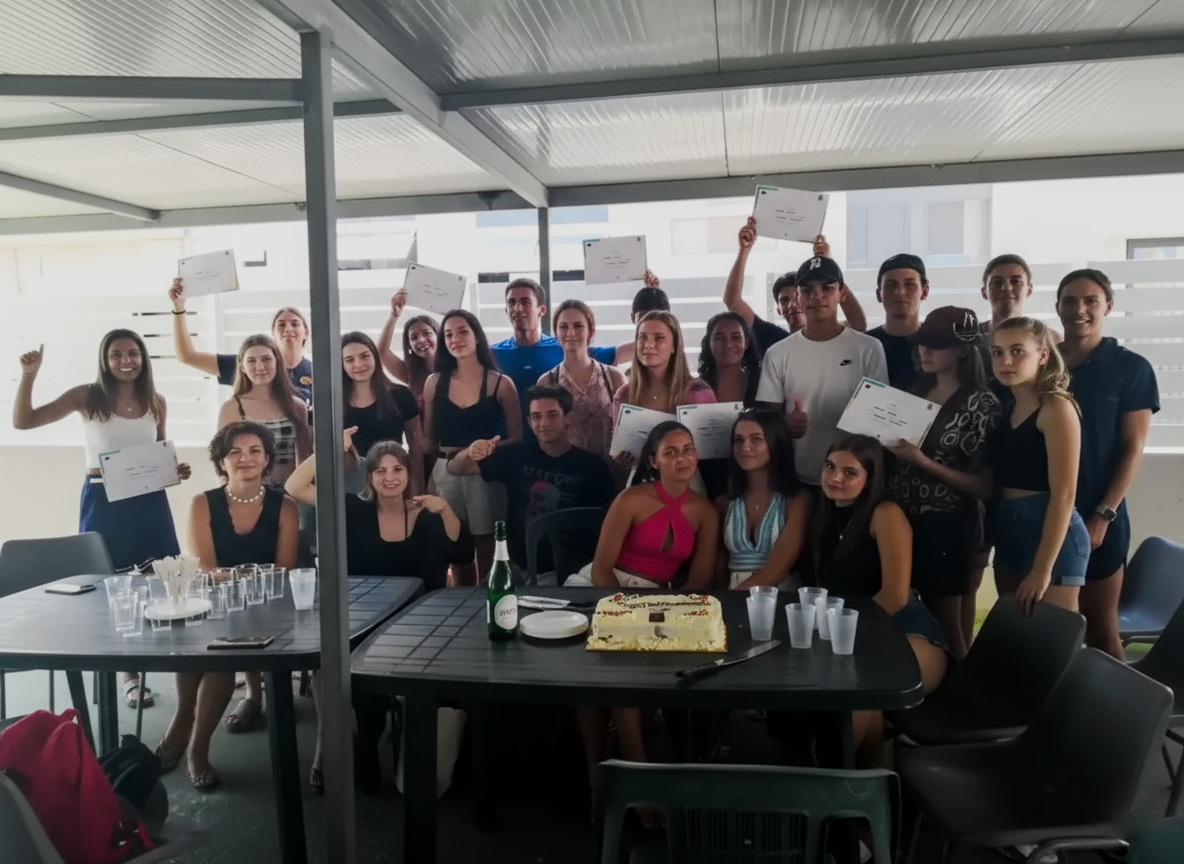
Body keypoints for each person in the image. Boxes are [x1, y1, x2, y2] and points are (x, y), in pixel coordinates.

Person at [286, 431, 471, 792]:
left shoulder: (427, 513)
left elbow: (462, 553)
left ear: (408, 474)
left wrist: (446, 509)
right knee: (361, 681)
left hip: (423, 625)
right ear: (368, 477)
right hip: (365, 623)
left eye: (397, 469)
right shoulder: (353, 510)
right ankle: (366, 747)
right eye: (380, 471)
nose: (390, 478)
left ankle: (417, 747)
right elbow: (295, 486)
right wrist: (330, 448)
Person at [14, 331, 188, 710]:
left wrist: (176, 469)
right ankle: (128, 675)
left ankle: (175, 668)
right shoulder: (87, 396)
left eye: (133, 353)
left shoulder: (156, 400)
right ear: (104, 360)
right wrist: (29, 375)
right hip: (103, 499)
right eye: (116, 354)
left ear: (143, 358)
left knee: (160, 582)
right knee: (111, 586)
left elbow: (159, 451)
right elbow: (23, 422)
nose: (126, 360)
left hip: (149, 501)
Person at [573, 422, 719, 778]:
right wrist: (624, 611)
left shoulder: (705, 511)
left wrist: (667, 610)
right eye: (671, 452)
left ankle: (634, 776)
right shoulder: (631, 499)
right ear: (654, 462)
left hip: (659, 599)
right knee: (596, 674)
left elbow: (699, 579)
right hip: (603, 589)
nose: (682, 458)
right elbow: (601, 568)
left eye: (688, 449)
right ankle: (604, 776)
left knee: (625, 670)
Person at [159, 421, 299, 791]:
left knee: (219, 653)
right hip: (213, 603)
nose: (245, 459)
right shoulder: (201, 503)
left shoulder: (285, 506)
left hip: (267, 605)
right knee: (201, 640)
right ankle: (184, 718)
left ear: (267, 459)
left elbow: (284, 571)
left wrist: (236, 576)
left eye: (254, 451)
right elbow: (204, 569)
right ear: (222, 462)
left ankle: (195, 746)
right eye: (235, 452)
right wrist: (248, 575)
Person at [810, 435, 950, 764]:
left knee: (857, 690)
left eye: (850, 472)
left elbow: (896, 596)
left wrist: (844, 635)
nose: (835, 478)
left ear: (870, 479)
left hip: (908, 632)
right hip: (857, 635)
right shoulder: (826, 514)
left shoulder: (885, 513)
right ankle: (869, 780)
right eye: (830, 467)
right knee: (855, 699)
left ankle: (831, 780)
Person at [885, 307, 1000, 658]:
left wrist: (923, 462)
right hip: (903, 521)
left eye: (936, 345)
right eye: (922, 344)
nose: (925, 352)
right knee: (908, 618)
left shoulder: (982, 404)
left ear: (963, 349)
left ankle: (960, 690)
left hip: (948, 524)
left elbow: (984, 487)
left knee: (947, 626)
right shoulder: (916, 390)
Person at [1056, 269, 1159, 659]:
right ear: (1058, 307)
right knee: (1048, 629)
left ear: (1108, 306)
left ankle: (1121, 702)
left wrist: (1103, 515)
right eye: (1070, 301)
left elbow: (1133, 448)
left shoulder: (1130, 367)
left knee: (1101, 629)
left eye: (1090, 301)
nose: (1079, 309)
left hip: (1098, 516)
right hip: (1045, 512)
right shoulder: (1044, 364)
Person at [447, 385, 614, 574]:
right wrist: (471, 452)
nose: (544, 423)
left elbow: (607, 524)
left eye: (552, 415)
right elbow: (455, 469)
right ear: (529, 421)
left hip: (573, 570)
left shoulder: (593, 466)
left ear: (568, 418)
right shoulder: (517, 455)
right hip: (519, 567)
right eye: (536, 416)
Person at [756, 256, 888, 488]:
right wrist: (785, 424)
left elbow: (881, 415)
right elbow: (768, 420)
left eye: (827, 288)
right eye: (808, 290)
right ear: (798, 297)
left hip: (855, 480)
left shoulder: (869, 348)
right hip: (799, 478)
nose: (817, 296)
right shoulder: (778, 353)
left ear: (842, 294)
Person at [988, 317, 1087, 614]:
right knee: (1014, 632)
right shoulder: (1006, 405)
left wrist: (1043, 569)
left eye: (1017, 351)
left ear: (1043, 355)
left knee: (1050, 636)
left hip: (1050, 532)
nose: (1006, 361)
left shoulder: (1056, 407)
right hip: (1007, 528)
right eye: (997, 352)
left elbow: (1065, 494)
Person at [422, 309, 521, 583]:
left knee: (487, 545)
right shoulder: (434, 382)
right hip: (445, 470)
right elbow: (427, 440)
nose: (456, 339)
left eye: (462, 331)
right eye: (448, 335)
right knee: (455, 546)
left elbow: (517, 438)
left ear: (477, 336)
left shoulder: (501, 383)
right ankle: (461, 601)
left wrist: (488, 449)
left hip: (484, 472)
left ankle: (487, 600)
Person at [491, 277, 619, 440]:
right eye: (512, 302)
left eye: (525, 302)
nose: (518, 308)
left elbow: (623, 352)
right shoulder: (492, 354)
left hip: (565, 447)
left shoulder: (564, 345)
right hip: (513, 445)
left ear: (541, 310)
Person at [723, 219, 867, 357]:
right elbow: (732, 301)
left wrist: (827, 267)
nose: (792, 305)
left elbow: (858, 323)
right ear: (778, 309)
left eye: (797, 296)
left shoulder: (830, 334)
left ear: (807, 299)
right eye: (784, 300)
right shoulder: (774, 339)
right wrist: (744, 249)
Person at [169, 281, 313, 408]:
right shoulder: (250, 366)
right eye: (281, 325)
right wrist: (179, 309)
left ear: (306, 333)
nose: (288, 329)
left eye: (295, 324)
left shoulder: (316, 372)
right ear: (273, 334)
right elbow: (187, 356)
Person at [715, 409, 812, 590]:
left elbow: (777, 570)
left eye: (756, 439)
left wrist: (732, 600)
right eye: (738, 440)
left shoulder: (797, 500)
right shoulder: (724, 503)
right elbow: (718, 571)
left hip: (781, 595)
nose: (745, 447)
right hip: (733, 594)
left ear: (776, 443)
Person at [215, 335, 311, 486]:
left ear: (277, 362)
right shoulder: (232, 408)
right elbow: (222, 461)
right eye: (251, 361)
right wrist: (228, 496)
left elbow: (306, 458)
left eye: (266, 359)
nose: (260, 366)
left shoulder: (297, 406)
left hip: (288, 492)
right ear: (242, 367)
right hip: (248, 491)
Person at [537, 300, 625, 459]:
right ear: (556, 334)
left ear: (591, 331)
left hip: (608, 469)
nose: (570, 332)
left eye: (578, 326)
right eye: (563, 327)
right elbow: (544, 436)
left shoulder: (613, 377)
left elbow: (626, 430)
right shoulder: (547, 382)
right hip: (565, 469)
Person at [341, 331, 423, 494]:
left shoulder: (401, 395)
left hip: (392, 482)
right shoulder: (332, 403)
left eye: (364, 356)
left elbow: (416, 447)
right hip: (351, 486)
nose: (358, 364)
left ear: (375, 357)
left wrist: (417, 489)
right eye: (350, 360)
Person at [613, 310, 715, 419]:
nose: (648, 345)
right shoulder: (624, 395)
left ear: (674, 345)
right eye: (643, 337)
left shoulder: (698, 393)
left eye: (658, 338)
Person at [867, 253, 927, 390]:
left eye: (909, 284)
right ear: (878, 294)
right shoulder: (865, 346)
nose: (900, 292)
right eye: (890, 285)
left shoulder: (938, 345)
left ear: (924, 292)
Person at [376, 290, 438, 414]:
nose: (421, 340)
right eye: (414, 337)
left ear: (439, 336)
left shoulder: (456, 367)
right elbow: (381, 352)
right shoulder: (411, 373)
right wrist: (394, 315)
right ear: (409, 345)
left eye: (426, 333)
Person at [698, 311, 761, 406]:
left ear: (746, 343)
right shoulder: (696, 389)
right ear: (709, 344)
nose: (728, 344)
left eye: (736, 337)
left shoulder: (762, 386)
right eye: (719, 338)